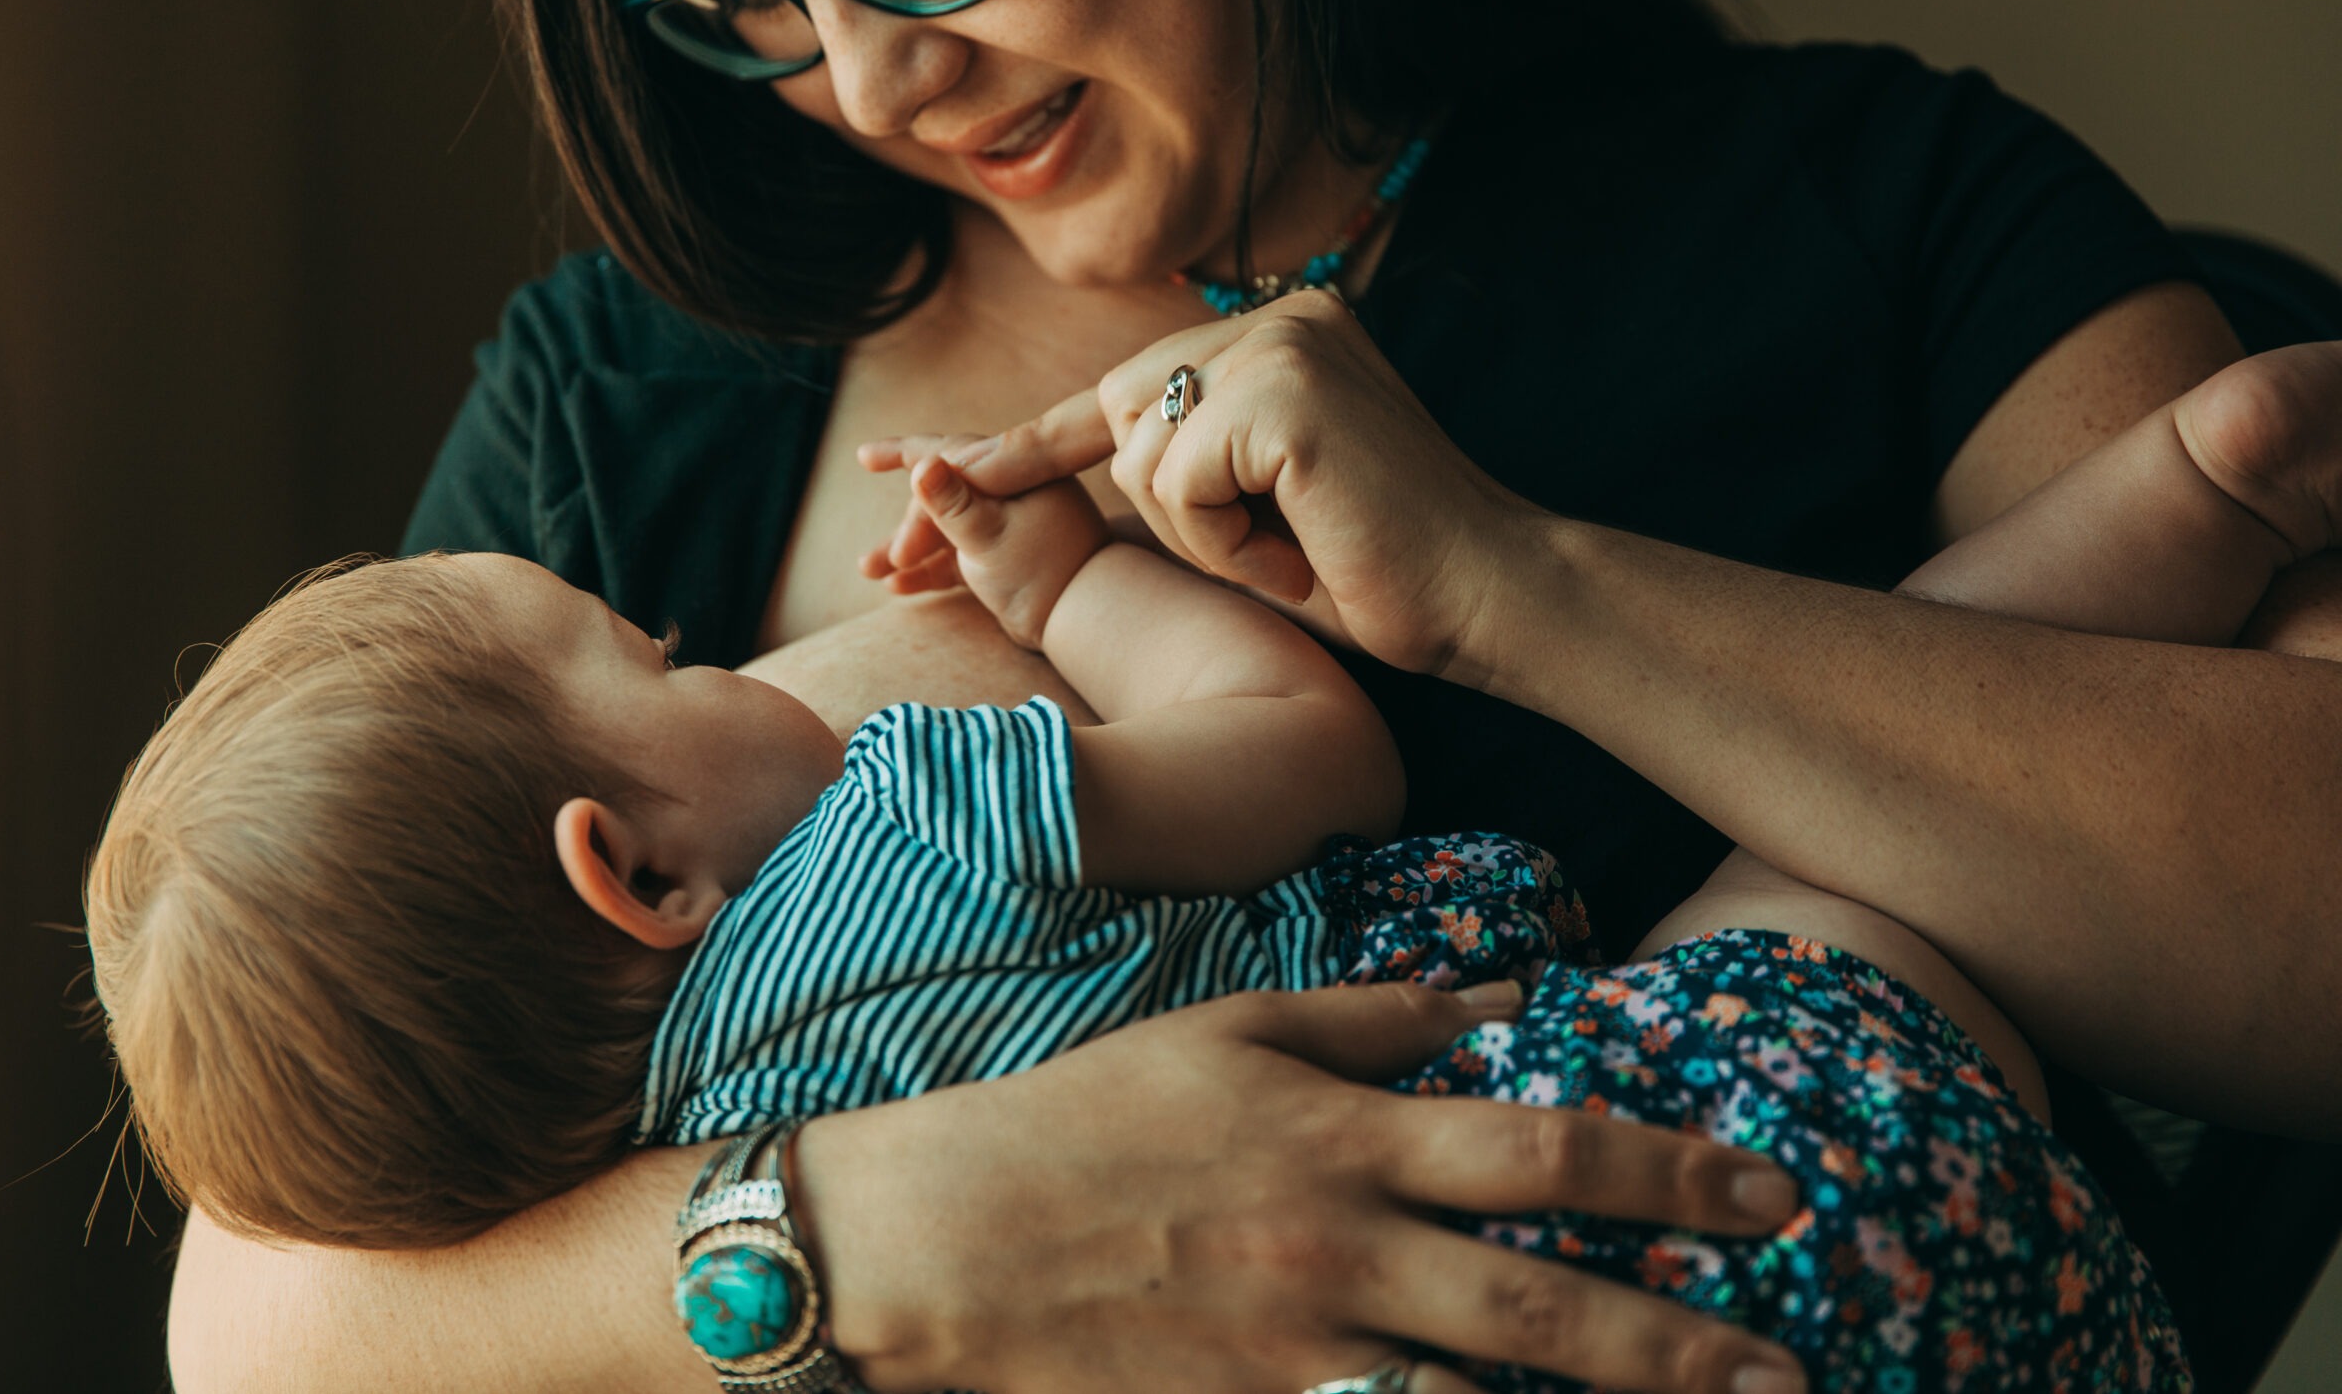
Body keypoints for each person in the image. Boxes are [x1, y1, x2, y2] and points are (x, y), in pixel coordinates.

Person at [165, 0, 2342, 1392]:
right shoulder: (631, 398)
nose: (864, 81)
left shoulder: (1868, 216)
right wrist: (902, 1231)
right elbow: (263, 1309)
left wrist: (1527, 589)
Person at [115, 336, 2335, 1383]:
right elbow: (1300, 747)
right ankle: (2196, 491)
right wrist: (1063, 575)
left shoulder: (632, 1131)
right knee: (1815, 899)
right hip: (1730, 1181)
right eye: (662, 643)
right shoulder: (911, 804)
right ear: (632, 870)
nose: (865, 49)